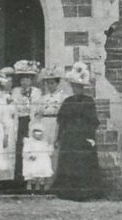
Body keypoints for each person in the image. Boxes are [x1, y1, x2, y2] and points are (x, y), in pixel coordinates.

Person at [51, 62, 102, 201]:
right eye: (74, 87)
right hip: (69, 136)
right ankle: (68, 192)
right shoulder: (67, 101)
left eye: (79, 87)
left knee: (84, 164)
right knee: (69, 164)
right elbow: (62, 121)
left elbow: (93, 121)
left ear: (82, 88)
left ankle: (85, 193)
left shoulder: (88, 101)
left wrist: (91, 137)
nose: (76, 89)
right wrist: (58, 137)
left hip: (83, 136)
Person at [10, 60, 42, 190]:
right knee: (19, 149)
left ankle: (31, 180)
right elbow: (13, 107)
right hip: (19, 122)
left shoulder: (36, 92)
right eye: (22, 79)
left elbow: (37, 109)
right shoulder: (15, 91)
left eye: (27, 79)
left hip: (31, 122)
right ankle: (19, 180)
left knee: (31, 149)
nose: (25, 82)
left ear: (31, 80)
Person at [35, 65, 66, 172]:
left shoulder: (62, 97)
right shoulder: (43, 98)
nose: (50, 85)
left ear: (57, 83)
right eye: (48, 83)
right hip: (44, 124)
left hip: (56, 123)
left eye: (52, 83)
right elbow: (38, 114)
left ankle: (54, 174)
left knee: (55, 148)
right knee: (44, 148)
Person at [22, 123, 54, 192]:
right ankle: (32, 190)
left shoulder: (44, 143)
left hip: (43, 162)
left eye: (40, 133)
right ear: (33, 133)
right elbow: (25, 152)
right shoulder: (29, 142)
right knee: (34, 177)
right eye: (36, 133)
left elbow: (50, 152)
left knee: (42, 177)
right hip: (34, 162)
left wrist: (50, 146)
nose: (38, 135)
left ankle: (41, 190)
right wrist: (30, 156)